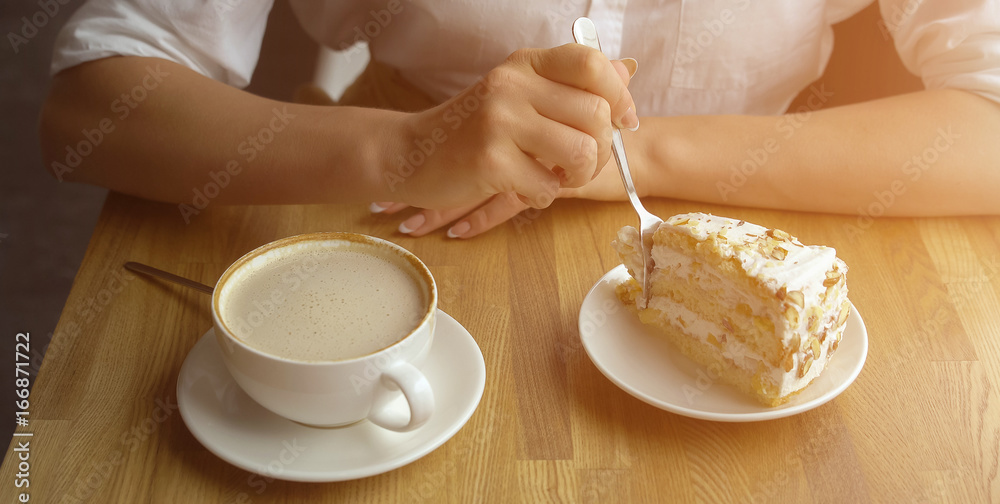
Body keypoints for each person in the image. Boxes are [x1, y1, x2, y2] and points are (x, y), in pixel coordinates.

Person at [41, 0, 1000, 239]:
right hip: (402, 218)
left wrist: (630, 152)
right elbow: (91, 103)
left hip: (774, 217)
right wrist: (407, 146)